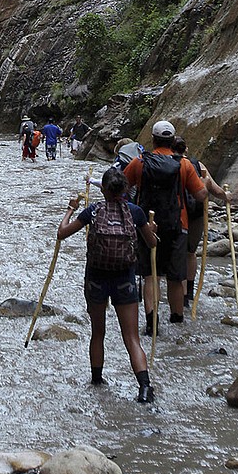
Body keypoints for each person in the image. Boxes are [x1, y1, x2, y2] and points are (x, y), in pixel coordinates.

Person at [58, 168, 157, 403]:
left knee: (98, 333)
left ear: (102, 189)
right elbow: (152, 243)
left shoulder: (92, 211)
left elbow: (62, 233)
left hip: (96, 278)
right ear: (126, 190)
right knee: (131, 336)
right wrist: (153, 231)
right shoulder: (136, 212)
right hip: (125, 279)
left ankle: (96, 380)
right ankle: (144, 388)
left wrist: (70, 209)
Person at [122, 119, 207, 335]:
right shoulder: (184, 165)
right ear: (173, 140)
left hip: (147, 226)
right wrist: (205, 184)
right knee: (175, 277)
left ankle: (152, 323)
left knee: (151, 275)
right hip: (178, 225)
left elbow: (121, 188)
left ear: (153, 139)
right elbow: (199, 195)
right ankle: (177, 319)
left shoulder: (139, 162)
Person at [173, 135, 231, 307]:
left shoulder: (167, 164)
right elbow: (214, 188)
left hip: (176, 214)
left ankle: (181, 295)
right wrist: (225, 197)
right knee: (190, 253)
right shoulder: (198, 166)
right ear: (186, 149)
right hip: (196, 213)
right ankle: (189, 292)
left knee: (177, 254)